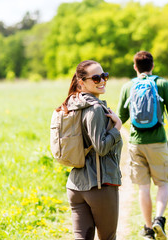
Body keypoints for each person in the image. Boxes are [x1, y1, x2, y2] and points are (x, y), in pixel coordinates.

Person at [117, 51, 168, 240]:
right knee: (163, 184)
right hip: (158, 142)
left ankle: (147, 231)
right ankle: (159, 219)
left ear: (135, 67)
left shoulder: (128, 86)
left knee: (143, 188)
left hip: (136, 143)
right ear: (152, 66)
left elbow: (121, 117)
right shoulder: (161, 83)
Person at [60, 60, 123, 240]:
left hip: (75, 186)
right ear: (82, 82)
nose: (102, 81)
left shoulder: (71, 104)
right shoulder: (94, 109)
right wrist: (116, 127)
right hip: (99, 185)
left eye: (104, 76)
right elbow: (101, 147)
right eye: (96, 78)